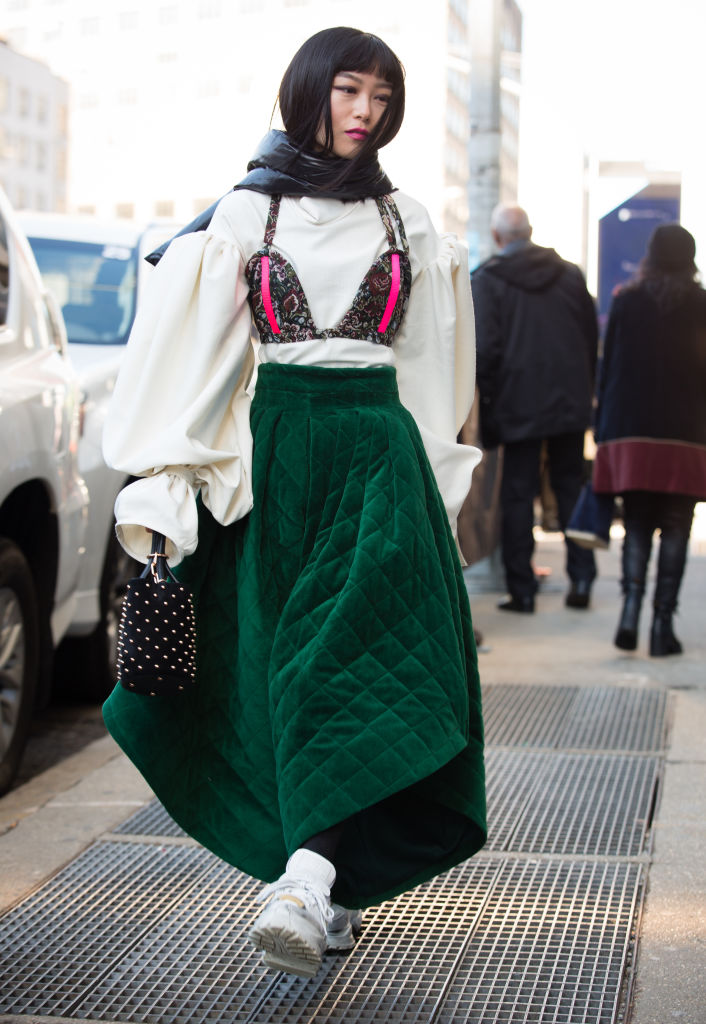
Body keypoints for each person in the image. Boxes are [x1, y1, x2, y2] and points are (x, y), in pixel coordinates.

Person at [101, 27, 486, 979]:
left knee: (345, 664)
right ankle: (327, 867)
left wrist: (436, 486)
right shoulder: (245, 213)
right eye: (350, 90)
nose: (366, 111)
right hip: (276, 460)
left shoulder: (410, 221)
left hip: (380, 457)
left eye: (382, 96)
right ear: (308, 90)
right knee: (280, 671)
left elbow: (435, 371)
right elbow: (195, 360)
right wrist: (172, 481)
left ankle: (306, 880)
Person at [471, 203, 599, 613]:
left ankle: (522, 590)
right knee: (570, 490)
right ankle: (581, 580)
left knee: (518, 495)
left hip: (517, 403)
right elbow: (589, 336)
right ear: (530, 231)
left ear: (497, 237)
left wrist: (487, 406)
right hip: (568, 401)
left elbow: (484, 350)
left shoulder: (488, 280)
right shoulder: (570, 275)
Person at [593, 223, 706, 656]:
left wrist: (603, 428)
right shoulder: (701, 304)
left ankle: (630, 611)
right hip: (687, 432)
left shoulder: (627, 301)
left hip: (630, 429)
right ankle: (662, 626)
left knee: (636, 523)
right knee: (677, 526)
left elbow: (609, 370)